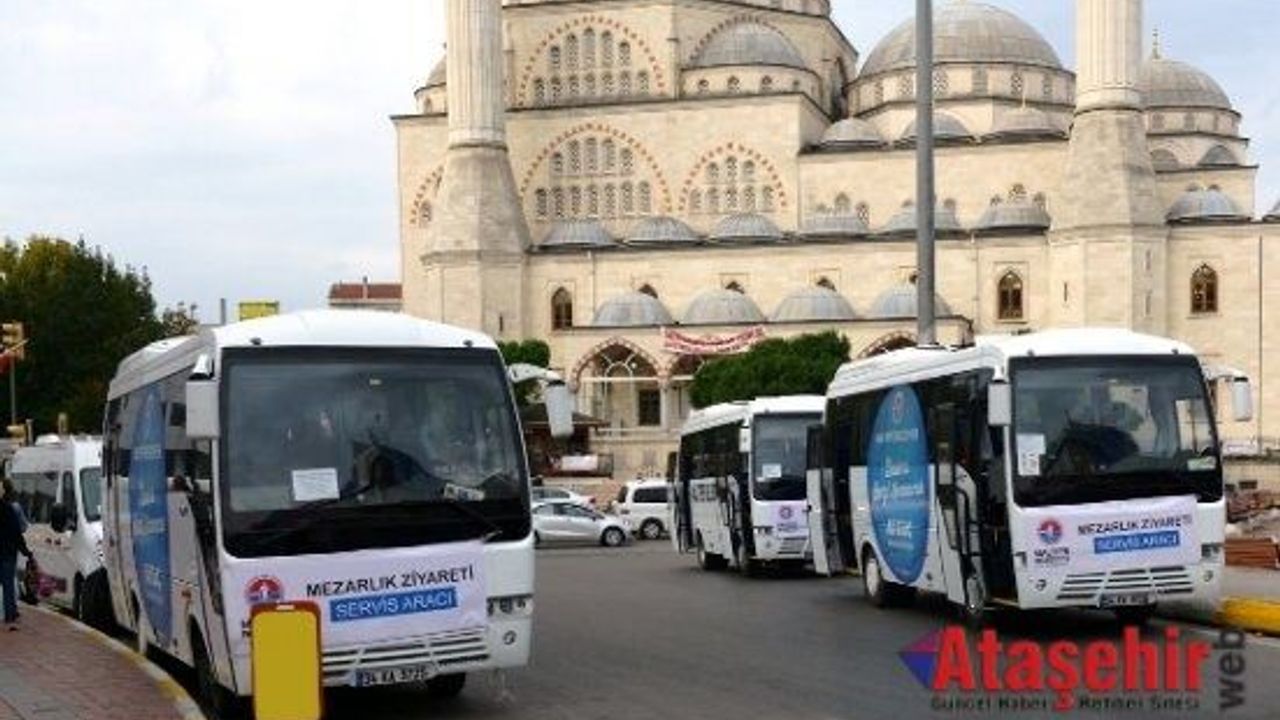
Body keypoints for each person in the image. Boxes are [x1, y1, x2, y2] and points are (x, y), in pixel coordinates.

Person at [0, 479, 33, 630]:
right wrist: (26, 551)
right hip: (7, 553)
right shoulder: (9, 510)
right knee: (8, 585)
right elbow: (17, 533)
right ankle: (10, 614)